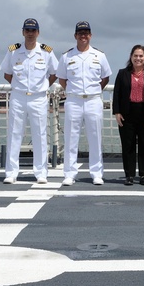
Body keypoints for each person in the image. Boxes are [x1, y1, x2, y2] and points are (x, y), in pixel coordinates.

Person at [0, 18, 58, 185]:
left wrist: (44, 86)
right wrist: (19, 87)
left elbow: (54, 72)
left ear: (38, 32)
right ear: (23, 32)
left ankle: (41, 172)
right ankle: (11, 172)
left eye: (33, 30)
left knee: (40, 134)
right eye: (28, 30)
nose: (30, 33)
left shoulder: (46, 52)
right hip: (18, 97)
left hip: (38, 97)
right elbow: (7, 73)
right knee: (14, 134)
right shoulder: (14, 52)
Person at [56, 21, 112, 186]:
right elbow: (62, 79)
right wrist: (75, 93)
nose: (83, 35)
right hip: (73, 100)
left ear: (91, 35)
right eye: (80, 33)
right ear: (75, 36)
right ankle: (69, 173)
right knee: (71, 138)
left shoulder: (99, 56)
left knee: (95, 138)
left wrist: (93, 91)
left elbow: (105, 77)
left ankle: (96, 173)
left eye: (86, 32)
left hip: (93, 100)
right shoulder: (67, 56)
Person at [112, 45, 144, 186]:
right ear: (131, 57)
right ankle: (129, 175)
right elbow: (117, 94)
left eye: (141, 56)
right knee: (128, 146)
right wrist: (117, 112)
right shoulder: (123, 73)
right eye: (136, 55)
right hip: (127, 114)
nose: (138, 58)